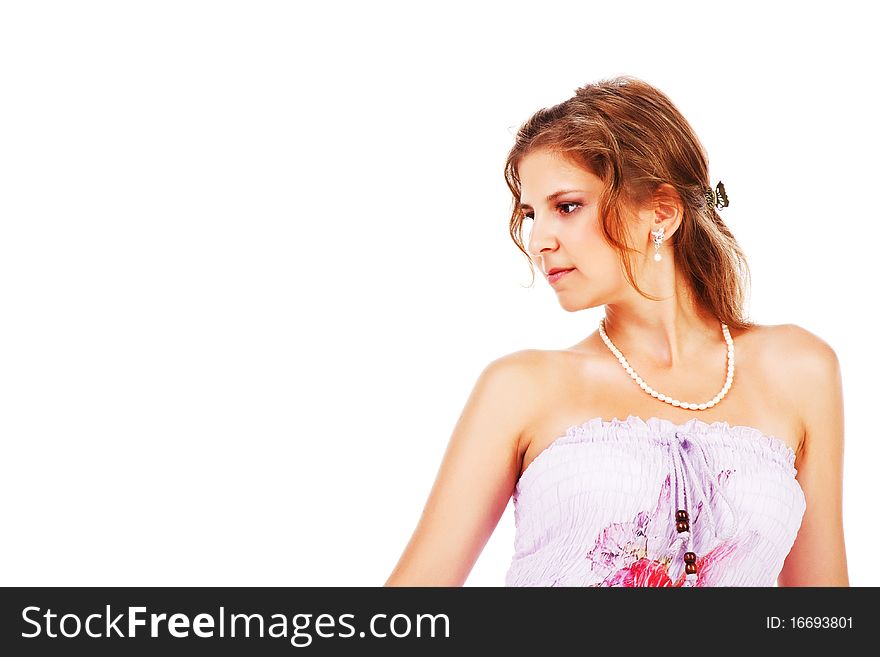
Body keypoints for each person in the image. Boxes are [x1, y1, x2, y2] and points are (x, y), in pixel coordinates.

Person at [385, 75, 848, 587]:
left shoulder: (800, 369)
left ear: (662, 212)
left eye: (566, 207)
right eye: (530, 214)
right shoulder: (520, 387)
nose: (539, 239)